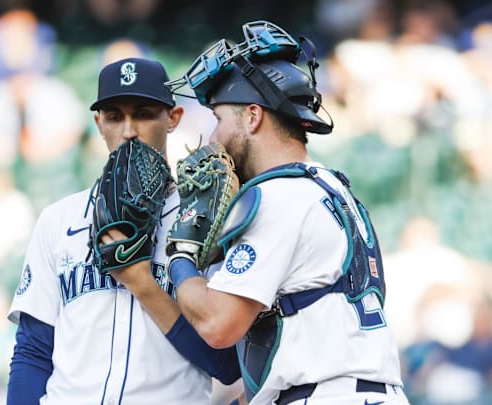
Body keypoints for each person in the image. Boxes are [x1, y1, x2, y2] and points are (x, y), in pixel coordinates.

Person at [163, 21, 410, 404]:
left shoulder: (277, 195)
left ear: (252, 116)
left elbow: (218, 324)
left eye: (218, 119)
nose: (213, 139)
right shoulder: (329, 186)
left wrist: (180, 256)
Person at [6, 57, 240, 404]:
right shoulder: (59, 220)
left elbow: (226, 364)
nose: (129, 131)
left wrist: (144, 286)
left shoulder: (207, 222)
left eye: (144, 114)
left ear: (173, 119)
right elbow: (33, 351)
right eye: (115, 116)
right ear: (99, 123)